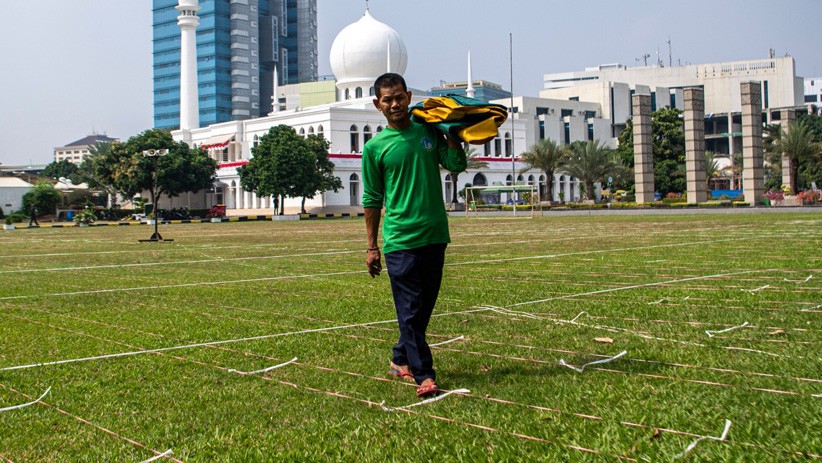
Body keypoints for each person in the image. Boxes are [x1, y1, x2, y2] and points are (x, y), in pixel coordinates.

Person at [362, 72, 467, 398]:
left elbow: (454, 163)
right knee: (409, 309)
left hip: (434, 233)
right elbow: (371, 199)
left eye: (398, 97)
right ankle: (424, 376)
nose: (394, 104)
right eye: (387, 99)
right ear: (377, 105)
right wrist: (371, 246)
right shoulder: (375, 148)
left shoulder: (428, 132)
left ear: (408, 96)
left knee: (422, 308)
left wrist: (450, 131)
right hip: (400, 240)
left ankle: (399, 358)